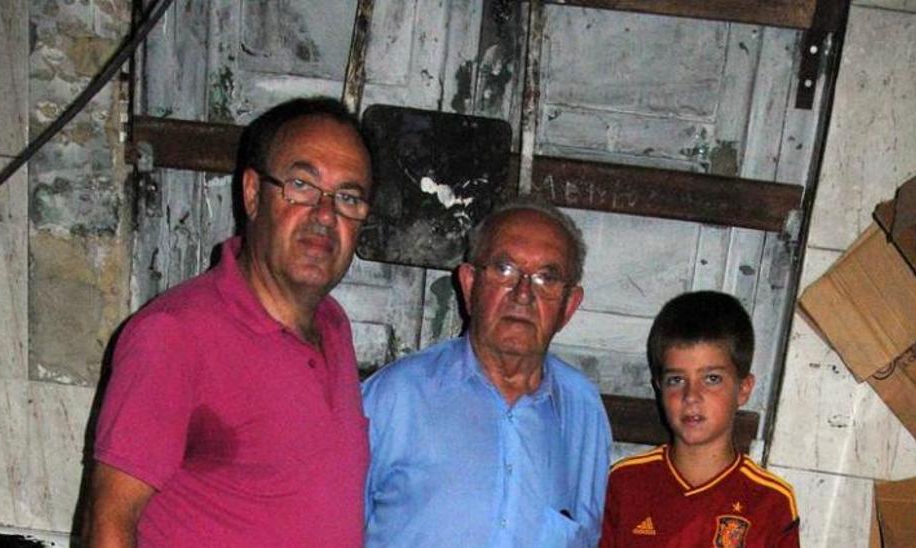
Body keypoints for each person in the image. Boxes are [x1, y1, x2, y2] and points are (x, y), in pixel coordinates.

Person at [86, 97, 374, 547]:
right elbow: (109, 525)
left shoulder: (334, 328)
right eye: (301, 185)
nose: (325, 215)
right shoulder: (175, 334)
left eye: (348, 198)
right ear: (253, 193)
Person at [362, 198, 612, 547]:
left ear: (569, 307)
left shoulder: (583, 411)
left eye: (546, 278)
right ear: (468, 285)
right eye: (504, 270)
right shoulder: (396, 397)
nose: (523, 294)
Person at [599, 291, 799, 547]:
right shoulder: (626, 483)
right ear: (659, 388)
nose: (691, 396)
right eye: (677, 380)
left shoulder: (770, 501)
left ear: (744, 389)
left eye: (712, 379)